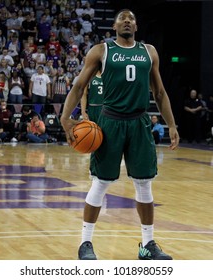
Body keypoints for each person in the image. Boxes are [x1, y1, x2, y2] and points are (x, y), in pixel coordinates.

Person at [60, 9, 179, 260]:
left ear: (136, 26)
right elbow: (79, 85)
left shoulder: (149, 51)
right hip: (110, 122)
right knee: (100, 183)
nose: (127, 21)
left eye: (132, 18)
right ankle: (85, 243)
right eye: (122, 18)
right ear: (114, 26)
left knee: (144, 184)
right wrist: (64, 117)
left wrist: (171, 124)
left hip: (139, 122)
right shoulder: (101, 51)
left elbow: (159, 92)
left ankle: (147, 245)